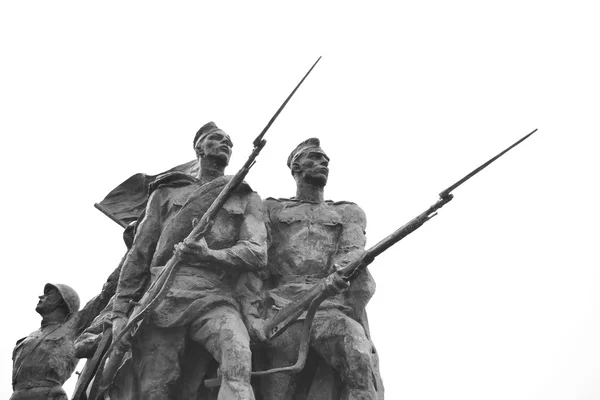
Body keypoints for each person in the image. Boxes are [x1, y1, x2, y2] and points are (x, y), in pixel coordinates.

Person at [111, 122, 267, 400]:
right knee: (155, 388)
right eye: (217, 139)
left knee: (238, 358)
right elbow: (139, 253)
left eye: (229, 142)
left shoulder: (245, 195)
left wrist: (210, 255)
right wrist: (120, 313)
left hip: (215, 296)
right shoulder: (166, 193)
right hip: (163, 296)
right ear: (199, 148)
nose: (225, 144)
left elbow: (257, 252)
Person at [260, 138, 383, 400]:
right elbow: (258, 258)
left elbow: (353, 250)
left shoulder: (349, 212)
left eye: (325, 160)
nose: (323, 163)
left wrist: (340, 272)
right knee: (276, 388)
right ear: (296, 166)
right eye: (314, 158)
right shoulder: (270, 209)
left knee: (357, 350)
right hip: (282, 307)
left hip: (329, 304)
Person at [11, 279, 116, 400]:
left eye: (49, 294)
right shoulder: (26, 339)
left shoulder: (73, 327)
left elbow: (106, 294)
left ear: (62, 301)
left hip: (50, 396)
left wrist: (130, 262)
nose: (41, 296)